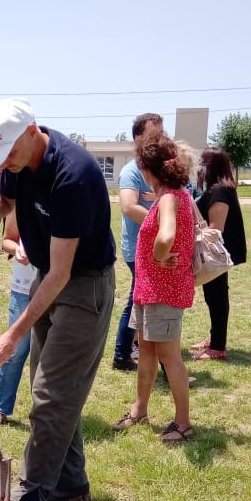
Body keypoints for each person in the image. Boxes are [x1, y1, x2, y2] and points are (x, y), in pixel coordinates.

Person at [0, 98, 116, 501]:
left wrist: (13, 334)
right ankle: (70, 491)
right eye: (0, 157)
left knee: (51, 395)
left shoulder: (75, 174)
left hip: (81, 285)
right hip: (49, 277)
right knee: (54, 393)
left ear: (32, 132)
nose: (6, 163)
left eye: (10, 152)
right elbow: (5, 200)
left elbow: (63, 271)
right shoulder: (18, 164)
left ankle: (27, 499)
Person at [112, 134, 197, 444]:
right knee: (146, 348)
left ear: (150, 170)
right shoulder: (171, 196)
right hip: (149, 289)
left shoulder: (170, 198)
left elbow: (166, 236)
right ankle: (140, 409)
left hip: (165, 291)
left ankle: (183, 423)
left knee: (169, 355)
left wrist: (161, 256)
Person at [113, 113, 164, 371]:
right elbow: (128, 207)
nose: (159, 139)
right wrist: (164, 220)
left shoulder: (157, 168)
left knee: (140, 300)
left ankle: (128, 352)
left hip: (153, 246)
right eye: (153, 134)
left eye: (161, 134)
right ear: (137, 138)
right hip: (138, 249)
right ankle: (123, 354)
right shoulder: (131, 171)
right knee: (137, 300)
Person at [190, 147, 247, 361]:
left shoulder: (220, 191)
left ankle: (217, 347)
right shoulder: (218, 189)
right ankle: (215, 339)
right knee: (214, 296)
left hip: (217, 254)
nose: (199, 169)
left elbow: (216, 229)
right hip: (219, 252)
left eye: (202, 164)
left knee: (217, 297)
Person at [0, 212, 36, 426]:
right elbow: (6, 241)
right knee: (15, 350)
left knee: (48, 353)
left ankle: (45, 412)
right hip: (24, 288)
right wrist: (17, 249)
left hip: (54, 286)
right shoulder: (19, 202)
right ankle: (1, 408)